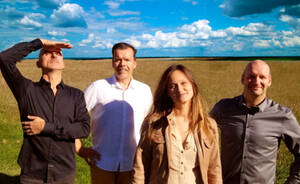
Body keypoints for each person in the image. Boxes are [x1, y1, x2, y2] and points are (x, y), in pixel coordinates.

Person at [0, 39, 90, 184]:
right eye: (47, 52)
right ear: (38, 63)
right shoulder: (26, 90)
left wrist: (45, 127)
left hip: (64, 175)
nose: (54, 55)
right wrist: (40, 43)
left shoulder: (76, 95)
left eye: (58, 53)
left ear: (64, 64)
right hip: (32, 175)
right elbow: (4, 58)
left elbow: (84, 129)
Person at [210, 60, 300, 184]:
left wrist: (293, 181)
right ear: (243, 79)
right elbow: (199, 136)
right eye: (251, 76)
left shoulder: (282, 115)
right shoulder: (223, 108)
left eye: (262, 77)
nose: (257, 82)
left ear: (269, 81)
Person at [75, 42, 152, 184]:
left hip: (133, 164)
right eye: (118, 59)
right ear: (112, 62)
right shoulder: (97, 87)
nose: (122, 64)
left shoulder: (145, 91)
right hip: (102, 162)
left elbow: (150, 125)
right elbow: (74, 117)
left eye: (127, 60)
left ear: (135, 63)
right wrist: (78, 147)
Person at [131, 64, 222, 184]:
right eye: (172, 86)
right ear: (167, 92)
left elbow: (214, 169)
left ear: (193, 86)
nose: (179, 89)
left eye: (184, 83)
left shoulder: (208, 126)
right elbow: (140, 165)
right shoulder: (153, 124)